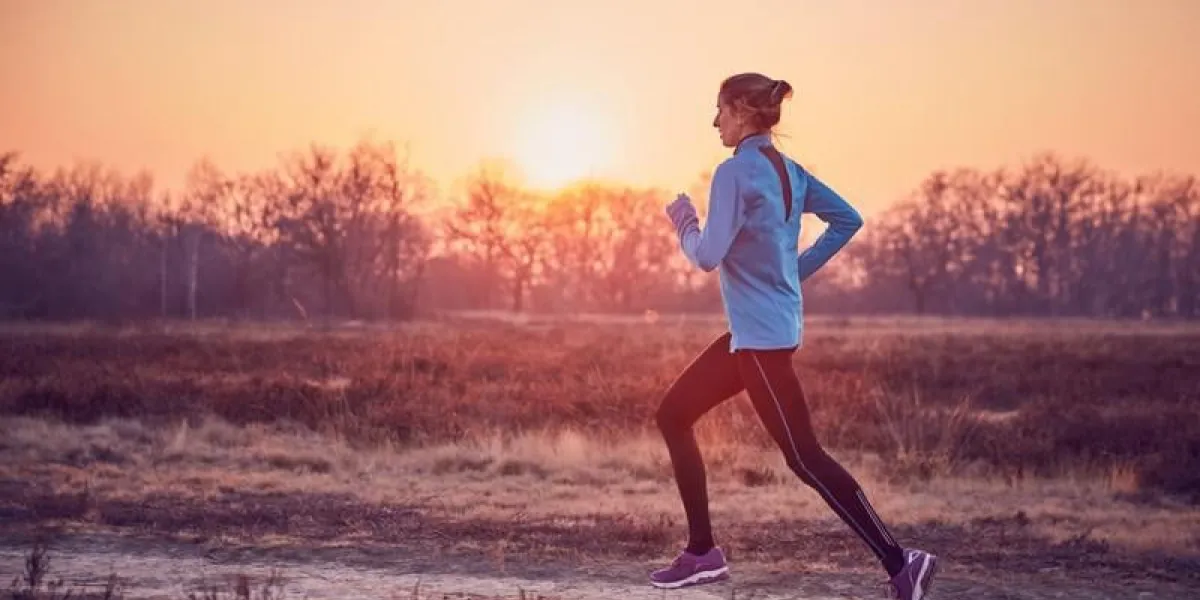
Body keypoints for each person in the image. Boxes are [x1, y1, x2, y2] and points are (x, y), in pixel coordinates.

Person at [653, 72, 939, 600]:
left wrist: (685, 222)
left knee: (805, 457)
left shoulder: (733, 173)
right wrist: (792, 270)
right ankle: (702, 553)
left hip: (760, 343)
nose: (715, 122)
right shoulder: (791, 171)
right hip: (757, 335)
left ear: (742, 111)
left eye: (720, 110)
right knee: (673, 415)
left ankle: (902, 563)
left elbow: (707, 256)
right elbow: (847, 219)